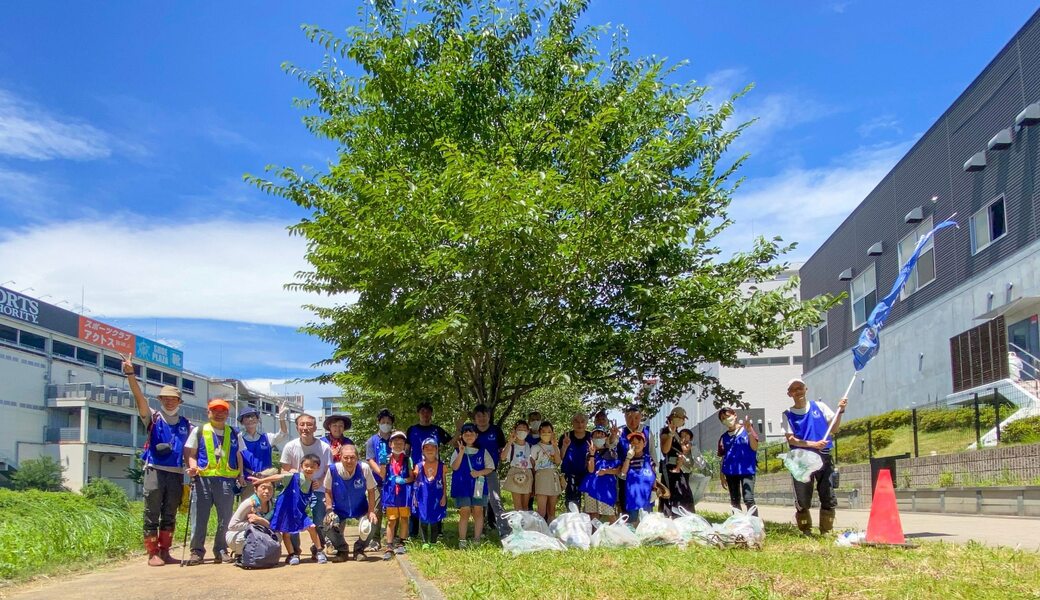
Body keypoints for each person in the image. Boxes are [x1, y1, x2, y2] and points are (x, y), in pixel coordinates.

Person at [124, 355, 190, 567]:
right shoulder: (152, 417)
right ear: (160, 400)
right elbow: (139, 399)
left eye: (173, 398)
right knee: (152, 511)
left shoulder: (186, 424)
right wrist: (130, 374)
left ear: (179, 402)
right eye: (165, 398)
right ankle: (152, 552)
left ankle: (165, 550)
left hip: (177, 473)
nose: (169, 401)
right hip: (155, 469)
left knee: (170, 512)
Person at [782, 378, 847, 535]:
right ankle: (806, 529)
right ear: (789, 393)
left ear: (806, 389)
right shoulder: (787, 415)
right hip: (801, 460)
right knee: (803, 497)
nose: (798, 391)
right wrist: (812, 444)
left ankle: (826, 530)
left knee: (827, 492)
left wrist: (840, 412)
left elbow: (835, 428)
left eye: (800, 388)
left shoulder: (820, 406)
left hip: (824, 456)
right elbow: (791, 439)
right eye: (794, 389)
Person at [184, 398, 242, 565]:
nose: (218, 414)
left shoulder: (234, 432)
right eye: (214, 410)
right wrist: (193, 467)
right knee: (199, 517)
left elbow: (239, 454)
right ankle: (196, 551)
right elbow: (191, 453)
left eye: (222, 411)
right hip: (203, 479)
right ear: (208, 412)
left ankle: (221, 549)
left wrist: (241, 475)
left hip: (226, 480)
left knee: (225, 517)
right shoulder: (199, 430)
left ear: (227, 414)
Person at [253, 455, 328, 565]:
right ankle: (292, 554)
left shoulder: (312, 483)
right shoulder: (293, 476)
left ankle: (319, 551)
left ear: (317, 468)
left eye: (312, 466)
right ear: (301, 466)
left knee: (312, 527)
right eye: (306, 466)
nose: (309, 469)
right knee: (286, 533)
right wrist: (261, 480)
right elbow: (277, 477)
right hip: (285, 510)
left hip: (299, 512)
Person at [281, 413, 333, 561]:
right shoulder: (290, 446)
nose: (305, 428)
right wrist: (296, 476)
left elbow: (329, 470)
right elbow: (284, 470)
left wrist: (321, 481)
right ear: (297, 427)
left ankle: (318, 549)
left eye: (309, 424)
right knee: (294, 520)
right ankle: (295, 551)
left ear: (315, 427)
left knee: (318, 520)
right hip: (296, 492)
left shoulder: (324, 447)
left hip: (318, 489)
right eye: (302, 424)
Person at [323, 444, 378, 562]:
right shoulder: (332, 470)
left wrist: (371, 511)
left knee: (372, 522)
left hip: (360, 508)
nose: (349, 461)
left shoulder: (364, 468)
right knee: (327, 524)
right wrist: (329, 510)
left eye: (352, 457)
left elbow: (371, 490)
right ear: (340, 457)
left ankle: (359, 549)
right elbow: (327, 491)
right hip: (339, 509)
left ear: (357, 458)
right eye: (346, 457)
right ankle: (342, 550)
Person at [406, 402, 451, 537]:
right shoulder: (412, 429)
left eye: (428, 412)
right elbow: (407, 450)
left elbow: (451, 441)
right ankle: (413, 532)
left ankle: (438, 531)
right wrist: (406, 466)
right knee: (416, 497)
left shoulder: (437, 430)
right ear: (418, 413)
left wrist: (460, 428)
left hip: (435, 470)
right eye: (422, 411)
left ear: (431, 414)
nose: (425, 414)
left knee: (437, 497)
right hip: (417, 470)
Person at [450, 423, 495, 548]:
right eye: (466, 434)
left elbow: (490, 467)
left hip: (478, 486)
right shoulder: (457, 451)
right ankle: (462, 540)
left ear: (476, 435)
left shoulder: (483, 451)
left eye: (471, 434)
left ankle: (476, 539)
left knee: (478, 511)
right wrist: (461, 453)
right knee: (464, 511)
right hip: (462, 486)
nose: (468, 436)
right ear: (462, 436)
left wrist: (479, 473)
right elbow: (454, 467)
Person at [470, 404, 508, 537]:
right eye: (478, 416)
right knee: (479, 501)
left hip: (491, 471)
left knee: (495, 499)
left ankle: (504, 531)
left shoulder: (496, 431)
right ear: (475, 418)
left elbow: (502, 449)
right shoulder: (471, 431)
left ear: (489, 416)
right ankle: (481, 529)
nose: (481, 418)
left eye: (484, 415)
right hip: (476, 474)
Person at [237, 404, 290, 499]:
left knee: (267, 509)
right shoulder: (238, 438)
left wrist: (281, 418)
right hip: (248, 480)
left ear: (258, 419)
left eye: (253, 416)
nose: (250, 419)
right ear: (241, 422)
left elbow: (283, 434)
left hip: (266, 479)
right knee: (249, 509)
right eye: (246, 417)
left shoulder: (266, 437)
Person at [379, 431, 414, 559]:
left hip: (404, 494)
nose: (398, 444)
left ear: (404, 445)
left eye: (401, 442)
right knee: (391, 520)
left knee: (404, 519)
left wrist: (404, 480)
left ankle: (401, 543)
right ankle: (389, 545)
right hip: (390, 493)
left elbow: (412, 477)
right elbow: (382, 475)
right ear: (390, 444)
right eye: (395, 442)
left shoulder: (407, 459)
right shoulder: (386, 458)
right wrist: (382, 463)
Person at [717, 408, 758, 513]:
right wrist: (721, 475)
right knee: (735, 501)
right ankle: (737, 524)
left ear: (734, 415)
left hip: (747, 470)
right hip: (730, 472)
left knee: (748, 499)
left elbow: (754, 447)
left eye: (728, 416)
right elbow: (723, 457)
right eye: (723, 419)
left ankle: (755, 524)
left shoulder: (747, 429)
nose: (727, 419)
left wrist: (749, 431)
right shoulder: (723, 437)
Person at [616, 405, 655, 513]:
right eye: (629, 418)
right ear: (625, 417)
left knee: (646, 509)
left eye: (636, 418)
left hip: (645, 474)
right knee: (627, 508)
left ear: (641, 417)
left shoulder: (647, 431)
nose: (633, 421)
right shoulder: (620, 432)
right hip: (626, 475)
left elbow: (652, 453)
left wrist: (655, 483)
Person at [365, 408, 394, 549]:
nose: (386, 424)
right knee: (376, 509)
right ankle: (375, 539)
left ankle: (392, 537)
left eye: (388, 422)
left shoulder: (396, 439)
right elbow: (370, 459)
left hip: (394, 481)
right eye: (383, 422)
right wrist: (380, 472)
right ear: (378, 423)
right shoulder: (372, 441)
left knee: (393, 509)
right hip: (376, 481)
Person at [225, 480, 275, 560]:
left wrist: (260, 520)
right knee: (247, 536)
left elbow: (275, 526)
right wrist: (251, 523)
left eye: (270, 489)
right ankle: (240, 553)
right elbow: (232, 526)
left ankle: (261, 554)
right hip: (236, 534)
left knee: (277, 536)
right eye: (263, 488)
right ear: (255, 489)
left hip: (260, 531)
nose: (267, 491)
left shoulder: (273, 504)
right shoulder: (249, 503)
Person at [579, 426, 620, 521]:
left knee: (610, 513)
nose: (599, 438)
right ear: (592, 438)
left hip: (606, 488)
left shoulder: (611, 453)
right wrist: (592, 455)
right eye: (596, 436)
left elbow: (618, 470)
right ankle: (594, 534)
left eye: (601, 435)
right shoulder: (589, 454)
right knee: (593, 514)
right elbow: (590, 470)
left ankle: (616, 533)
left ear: (606, 437)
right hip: (591, 487)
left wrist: (606, 471)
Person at [658, 406, 693, 516]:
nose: (682, 420)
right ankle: (668, 517)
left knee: (684, 493)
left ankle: (684, 517)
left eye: (683, 418)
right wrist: (671, 434)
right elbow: (665, 450)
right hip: (670, 469)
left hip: (682, 468)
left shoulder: (679, 434)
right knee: (670, 495)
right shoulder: (665, 431)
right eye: (680, 417)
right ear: (673, 417)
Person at [411, 438, 447, 545]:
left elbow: (445, 482)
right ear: (422, 450)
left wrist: (444, 496)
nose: (429, 450)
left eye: (432, 447)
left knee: (435, 519)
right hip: (423, 496)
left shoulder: (442, 466)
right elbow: (415, 483)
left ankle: (433, 541)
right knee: (424, 518)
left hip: (437, 496)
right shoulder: (419, 466)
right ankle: (424, 542)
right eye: (426, 447)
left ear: (437, 450)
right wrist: (415, 498)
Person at [619, 431, 655, 525]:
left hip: (646, 498)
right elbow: (623, 472)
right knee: (633, 523)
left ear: (644, 444)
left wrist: (655, 490)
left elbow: (654, 475)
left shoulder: (649, 459)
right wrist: (628, 458)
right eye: (633, 443)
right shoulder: (628, 460)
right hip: (632, 499)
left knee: (646, 523)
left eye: (639, 442)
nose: (636, 445)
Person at [531, 420, 563, 522]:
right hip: (541, 476)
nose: (546, 434)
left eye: (549, 431)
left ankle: (551, 530)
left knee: (552, 510)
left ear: (552, 433)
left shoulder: (555, 447)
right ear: (539, 433)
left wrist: (554, 445)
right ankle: (539, 531)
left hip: (553, 477)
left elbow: (558, 462)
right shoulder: (535, 447)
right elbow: (532, 464)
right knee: (541, 510)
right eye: (543, 431)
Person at [559, 412, 591, 511]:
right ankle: (572, 524)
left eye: (582, 422)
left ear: (586, 423)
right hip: (570, 474)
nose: (580, 424)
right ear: (572, 423)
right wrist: (564, 446)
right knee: (572, 503)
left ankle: (588, 525)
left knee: (590, 505)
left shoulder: (591, 437)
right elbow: (560, 457)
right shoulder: (565, 437)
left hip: (587, 474)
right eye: (576, 422)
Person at [501, 420, 534, 512]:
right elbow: (503, 457)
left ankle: (525, 524)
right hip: (514, 472)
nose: (522, 431)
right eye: (519, 429)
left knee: (525, 505)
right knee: (518, 505)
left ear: (528, 431)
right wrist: (510, 441)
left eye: (524, 429)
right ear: (515, 431)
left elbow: (534, 462)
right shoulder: (511, 446)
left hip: (527, 472)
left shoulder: (531, 446)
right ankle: (518, 525)